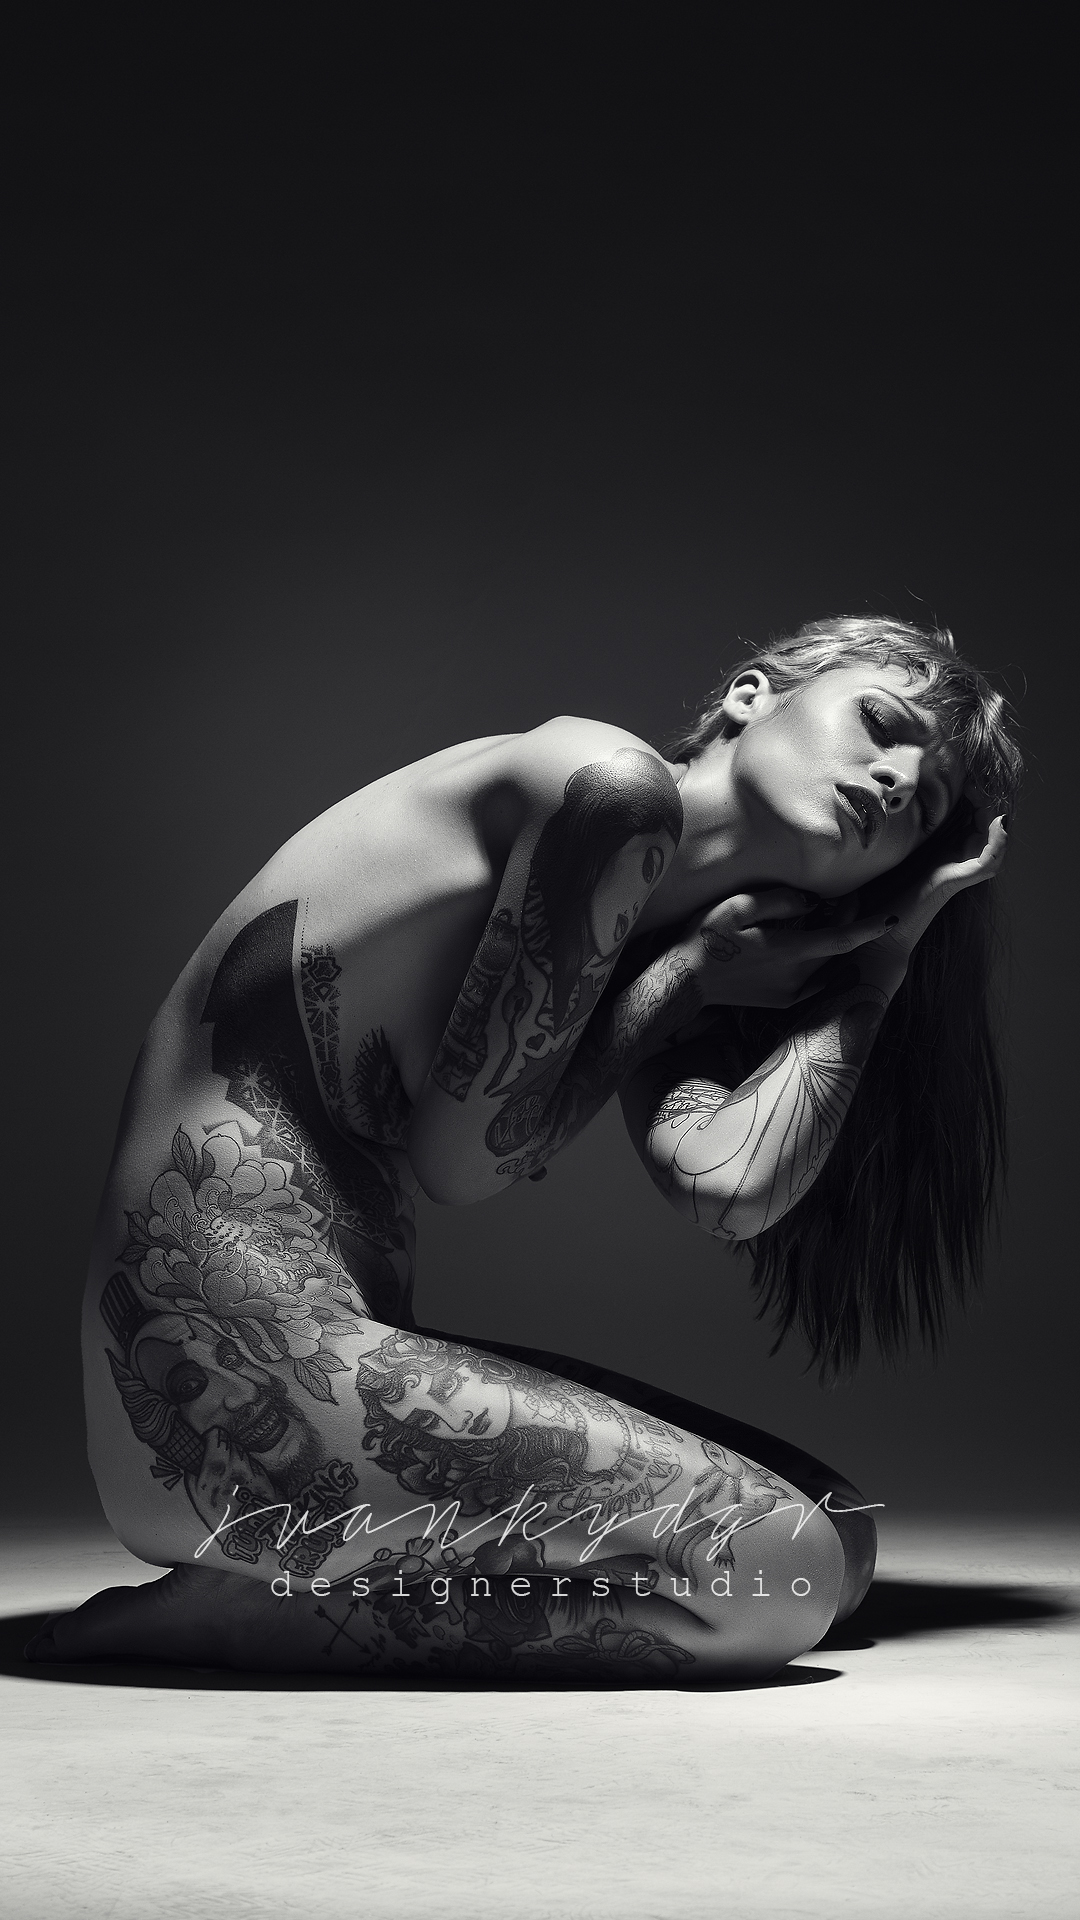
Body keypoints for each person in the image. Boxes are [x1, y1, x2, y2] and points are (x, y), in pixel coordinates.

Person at [27, 615, 1020, 1683]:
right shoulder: (606, 789)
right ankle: (238, 1612)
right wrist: (688, 976)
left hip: (332, 1365)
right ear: (749, 695)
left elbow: (731, 1187)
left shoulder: (675, 946)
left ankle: (301, 1586)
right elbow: (465, 1165)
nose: (896, 780)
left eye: (925, 804)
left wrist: (879, 967)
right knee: (781, 1576)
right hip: (214, 1373)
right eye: (881, 723)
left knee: (839, 1532)